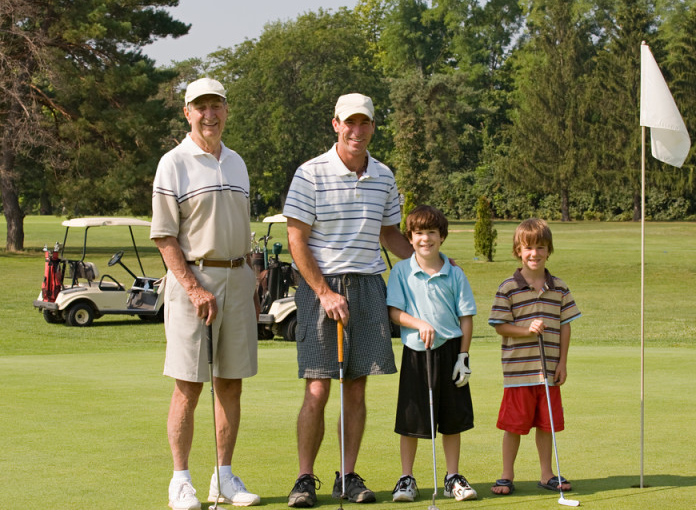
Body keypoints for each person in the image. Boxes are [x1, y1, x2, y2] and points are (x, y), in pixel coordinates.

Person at [282, 92, 413, 508]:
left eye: (365, 123)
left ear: (373, 127)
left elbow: (389, 233)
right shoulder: (310, 173)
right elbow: (296, 238)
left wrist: (429, 264)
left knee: (356, 390)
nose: (357, 131)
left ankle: (347, 474)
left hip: (369, 285)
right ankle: (305, 478)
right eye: (349, 123)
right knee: (318, 388)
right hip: (322, 287)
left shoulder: (384, 175)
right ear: (335, 124)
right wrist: (323, 292)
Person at [151, 77, 261, 510]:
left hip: (238, 280)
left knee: (231, 384)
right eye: (201, 107)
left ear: (226, 110)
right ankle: (181, 481)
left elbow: (240, 231)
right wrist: (194, 287)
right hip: (193, 280)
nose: (209, 114)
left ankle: (224, 476)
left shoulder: (236, 162)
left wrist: (250, 281)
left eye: (216, 106)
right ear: (187, 113)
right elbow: (164, 237)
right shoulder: (173, 162)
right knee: (189, 386)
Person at [386, 205, 478, 503]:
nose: (425, 239)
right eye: (418, 233)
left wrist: (464, 357)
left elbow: (466, 317)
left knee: (452, 419)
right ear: (409, 238)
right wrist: (419, 323)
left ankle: (452, 476)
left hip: (450, 351)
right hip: (416, 351)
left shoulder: (454, 273)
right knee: (411, 419)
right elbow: (395, 312)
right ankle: (406, 477)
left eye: (432, 233)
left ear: (442, 236)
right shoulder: (401, 271)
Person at [488, 218, 581, 496]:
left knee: (546, 424)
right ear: (518, 250)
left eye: (541, 247)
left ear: (549, 250)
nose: (535, 253)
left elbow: (565, 326)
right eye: (528, 247)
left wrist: (563, 363)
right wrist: (526, 330)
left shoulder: (560, 287)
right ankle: (506, 475)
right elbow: (500, 326)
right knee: (514, 427)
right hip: (519, 372)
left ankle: (546, 474)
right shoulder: (508, 287)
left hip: (549, 371)